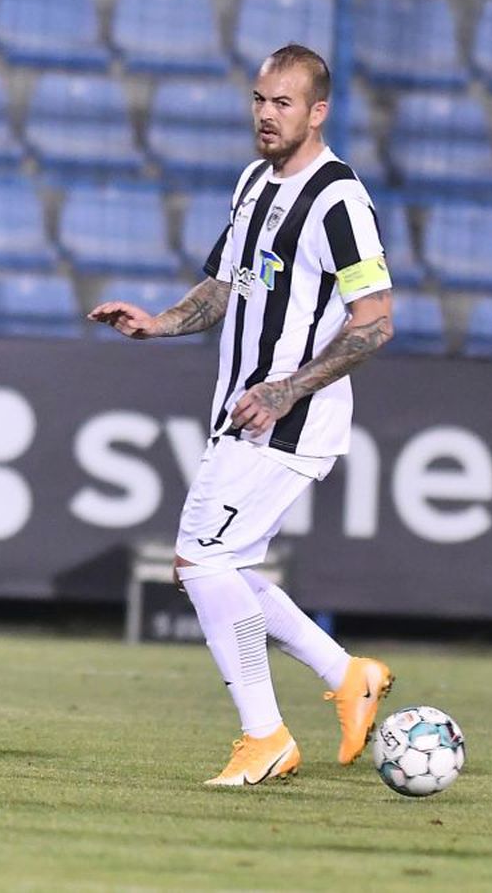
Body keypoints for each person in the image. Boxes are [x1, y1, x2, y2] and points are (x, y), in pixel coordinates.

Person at [89, 45, 395, 787]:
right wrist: (158, 323)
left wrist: (287, 389)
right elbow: (227, 286)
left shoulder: (338, 201)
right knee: (221, 564)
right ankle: (347, 673)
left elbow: (376, 320)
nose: (265, 114)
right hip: (244, 412)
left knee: (201, 561)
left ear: (318, 112)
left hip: (287, 418)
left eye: (282, 103)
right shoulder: (254, 183)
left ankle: (266, 736)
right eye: (259, 99)